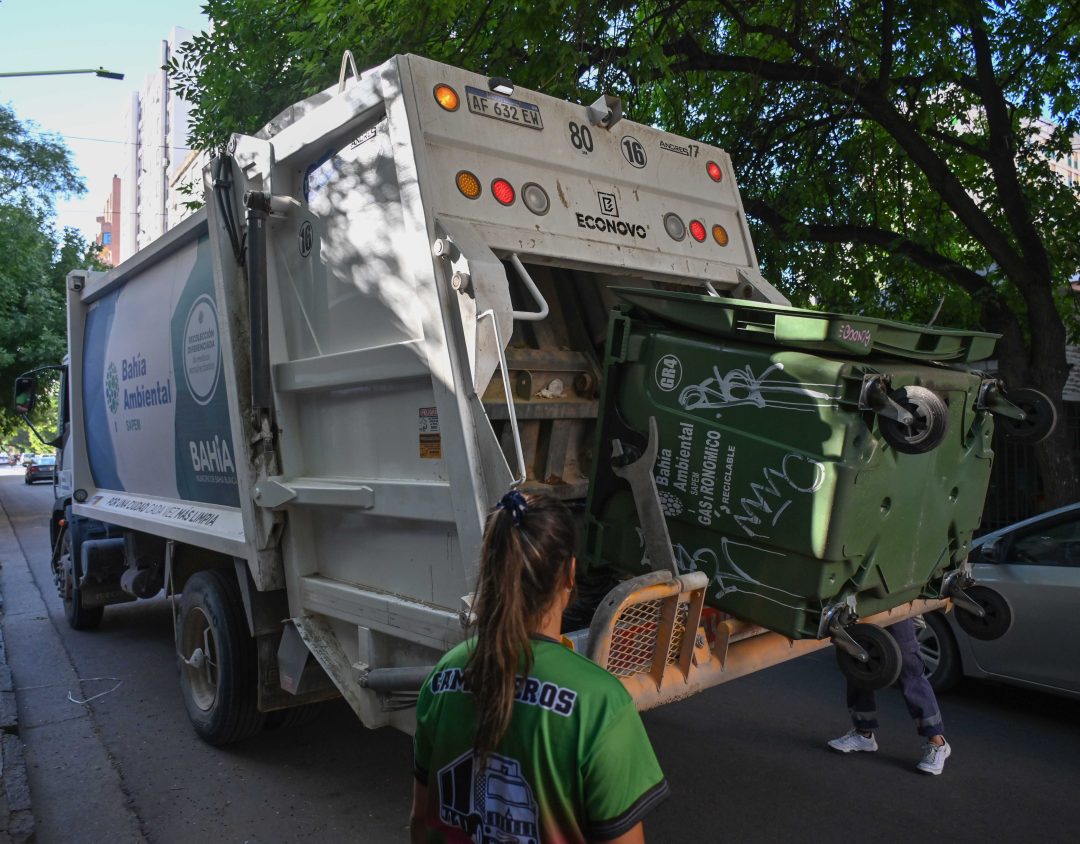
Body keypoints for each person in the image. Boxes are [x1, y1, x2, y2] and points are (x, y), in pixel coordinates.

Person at [411, 490, 670, 843]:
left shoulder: (444, 676)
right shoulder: (599, 705)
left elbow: (421, 822)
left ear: (491, 570)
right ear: (570, 574)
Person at [828, 617, 951, 775]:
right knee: (858, 660)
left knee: (908, 663)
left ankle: (937, 742)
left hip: (892, 600)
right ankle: (863, 733)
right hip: (859, 602)